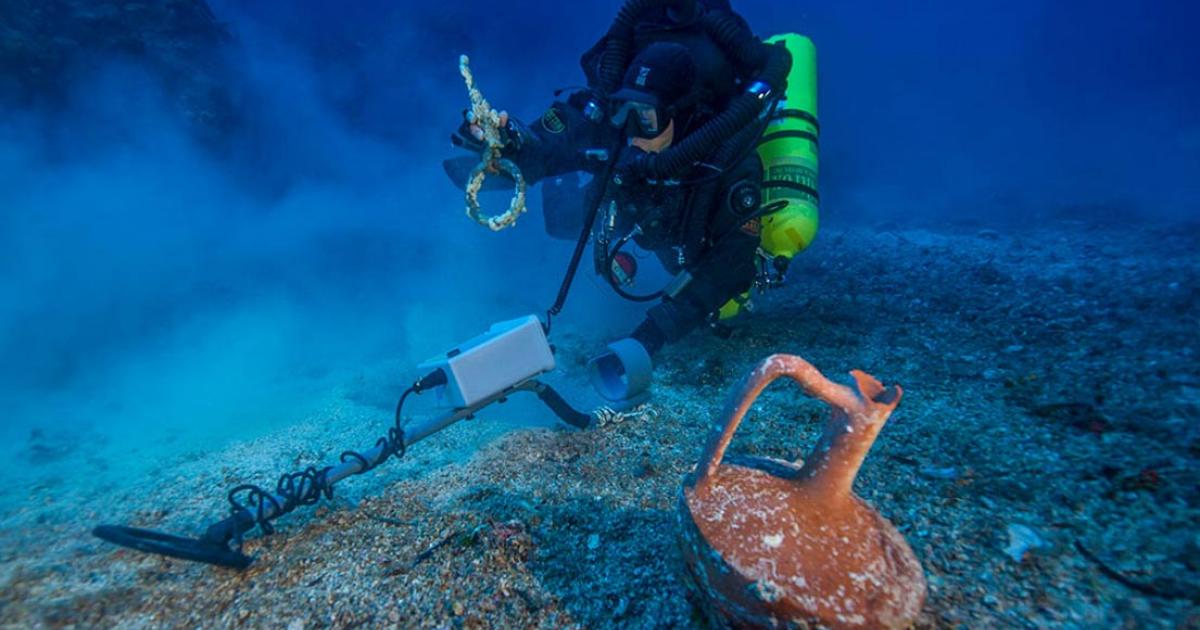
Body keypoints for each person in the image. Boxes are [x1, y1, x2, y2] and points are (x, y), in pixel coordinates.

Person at [448, 0, 793, 400]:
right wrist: (507, 145)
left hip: (705, 252)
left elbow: (729, 267)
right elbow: (556, 141)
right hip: (654, 220)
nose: (631, 131)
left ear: (683, 116)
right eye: (624, 111)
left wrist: (650, 335)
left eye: (646, 118)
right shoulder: (629, 129)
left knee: (729, 304)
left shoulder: (729, 159)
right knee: (563, 218)